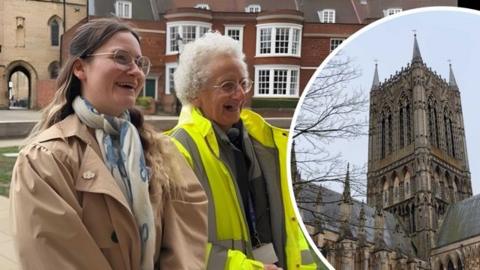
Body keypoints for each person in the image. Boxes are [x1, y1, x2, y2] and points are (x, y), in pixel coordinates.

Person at [10, 18, 208, 270]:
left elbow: (186, 243)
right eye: (121, 58)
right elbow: (55, 257)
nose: (135, 71)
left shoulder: (162, 150)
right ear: (80, 68)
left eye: (139, 62)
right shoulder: (44, 159)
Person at [168, 32, 323, 270]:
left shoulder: (267, 143)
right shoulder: (177, 150)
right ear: (195, 93)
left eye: (243, 83)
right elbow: (177, 246)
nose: (240, 95)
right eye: (228, 85)